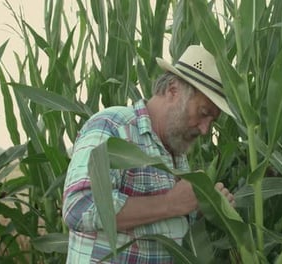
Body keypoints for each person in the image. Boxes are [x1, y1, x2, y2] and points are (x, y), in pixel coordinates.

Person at [62, 45, 236, 263]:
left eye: (211, 121)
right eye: (203, 114)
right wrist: (170, 202)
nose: (204, 129)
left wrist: (202, 207)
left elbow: (165, 222)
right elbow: (79, 207)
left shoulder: (176, 152)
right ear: (173, 90)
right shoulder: (113, 127)